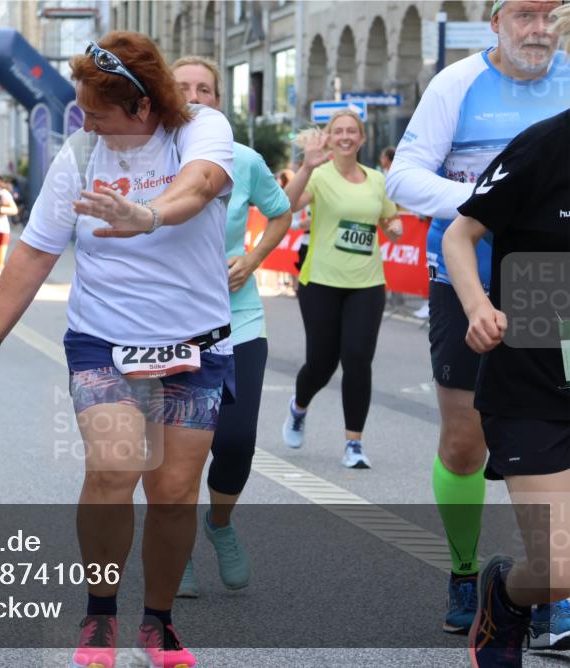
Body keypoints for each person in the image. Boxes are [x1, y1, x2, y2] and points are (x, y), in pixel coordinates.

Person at [0, 32, 234, 668]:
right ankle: (100, 612)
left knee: (173, 491)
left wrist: (149, 216)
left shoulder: (198, 128)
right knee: (114, 468)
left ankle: (158, 621)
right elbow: (33, 253)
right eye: (81, 110)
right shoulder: (80, 155)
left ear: (142, 107)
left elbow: (200, 185)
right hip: (103, 341)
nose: (86, 123)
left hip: (196, 344)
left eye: (98, 113)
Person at [385, 0, 570, 640]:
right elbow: (404, 179)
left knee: (553, 427)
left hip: (550, 283)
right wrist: (495, 202)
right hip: (466, 272)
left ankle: (556, 587)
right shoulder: (457, 83)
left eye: (551, 15)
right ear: (494, 22)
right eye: (524, 14)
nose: (538, 28)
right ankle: (466, 570)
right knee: (467, 442)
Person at [443, 10, 570, 660]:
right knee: (558, 570)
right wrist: (476, 306)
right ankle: (504, 595)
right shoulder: (546, 145)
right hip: (532, 381)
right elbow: (461, 235)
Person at [170, 56, 292, 598]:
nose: (195, 97)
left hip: (237, 318)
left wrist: (256, 256)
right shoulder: (151, 156)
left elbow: (282, 211)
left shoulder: (244, 160)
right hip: (166, 324)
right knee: (178, 445)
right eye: (183, 89)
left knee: (236, 441)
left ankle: (218, 523)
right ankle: (175, 546)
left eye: (205, 89)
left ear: (219, 101)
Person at [282, 111, 402, 469]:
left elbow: (386, 216)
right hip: (321, 282)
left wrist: (393, 225)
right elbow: (285, 206)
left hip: (367, 283)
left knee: (357, 360)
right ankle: (298, 407)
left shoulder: (377, 180)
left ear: (362, 139)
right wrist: (305, 167)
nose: (346, 136)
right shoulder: (318, 176)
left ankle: (354, 443)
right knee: (321, 363)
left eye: (353, 131)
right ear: (329, 138)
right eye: (339, 131)